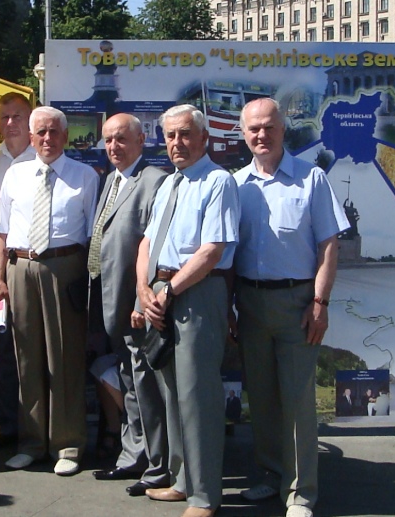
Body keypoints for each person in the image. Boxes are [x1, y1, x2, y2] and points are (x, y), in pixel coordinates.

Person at [233, 98, 348, 517]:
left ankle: (300, 492)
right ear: (243, 134)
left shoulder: (311, 178)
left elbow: (328, 245)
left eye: (269, 127)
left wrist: (320, 302)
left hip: (298, 303)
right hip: (249, 302)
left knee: (298, 401)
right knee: (262, 398)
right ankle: (271, 474)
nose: (261, 135)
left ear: (283, 129)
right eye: (254, 129)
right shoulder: (236, 184)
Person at [137, 104, 239, 517]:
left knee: (198, 398)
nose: (176, 142)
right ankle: (182, 482)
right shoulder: (168, 184)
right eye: (170, 135)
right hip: (162, 293)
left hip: (197, 293)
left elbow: (212, 251)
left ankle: (204, 497)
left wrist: (169, 291)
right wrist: (143, 289)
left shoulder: (218, 182)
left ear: (204, 138)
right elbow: (147, 242)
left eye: (184, 134)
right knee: (173, 395)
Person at [0, 106, 99, 476]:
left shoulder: (85, 176)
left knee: (65, 358)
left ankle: (68, 444)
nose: (48, 138)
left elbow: (93, 237)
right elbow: (2, 231)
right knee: (27, 358)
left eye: (54, 132)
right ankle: (32, 443)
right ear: (31, 137)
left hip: (64, 268)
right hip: (20, 267)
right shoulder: (15, 174)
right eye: (41, 132)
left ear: (66, 136)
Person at [88, 113, 170, 496]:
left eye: (121, 139)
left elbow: (154, 248)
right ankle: (133, 454)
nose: (113, 146)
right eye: (108, 140)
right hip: (110, 301)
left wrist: (141, 300)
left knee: (144, 385)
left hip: (135, 305)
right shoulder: (111, 179)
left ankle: (154, 463)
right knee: (129, 380)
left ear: (141, 140)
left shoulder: (154, 181)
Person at [0, 92, 35, 450]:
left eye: (18, 116)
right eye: (5, 117)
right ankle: (8, 425)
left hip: (31, 262)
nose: (11, 123)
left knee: (31, 347)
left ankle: (36, 427)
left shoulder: (42, 155)